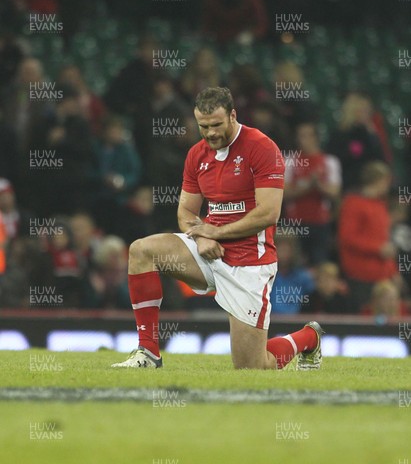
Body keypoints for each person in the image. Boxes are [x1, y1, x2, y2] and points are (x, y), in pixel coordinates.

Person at [112, 87, 323, 371]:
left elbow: (268, 213)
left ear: (233, 115)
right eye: (203, 126)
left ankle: (308, 338)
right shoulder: (197, 155)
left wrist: (214, 233)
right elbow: (186, 212)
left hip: (249, 261)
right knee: (142, 250)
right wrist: (200, 238)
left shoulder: (261, 147)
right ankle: (148, 352)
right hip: (208, 253)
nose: (210, 133)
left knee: (252, 368)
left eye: (216, 125)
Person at [338, 161, 398, 312]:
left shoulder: (380, 204)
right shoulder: (353, 203)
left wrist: (393, 271)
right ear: (378, 180)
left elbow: (383, 239)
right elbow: (348, 237)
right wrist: (378, 249)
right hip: (360, 276)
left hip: (381, 276)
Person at [283, 122, 342, 265]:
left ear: (315, 137)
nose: (302, 139)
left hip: (320, 223)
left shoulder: (330, 161)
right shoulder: (290, 161)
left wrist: (318, 185)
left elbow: (335, 192)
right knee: (295, 264)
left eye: (307, 135)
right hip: (295, 222)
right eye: (300, 136)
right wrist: (309, 185)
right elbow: (283, 193)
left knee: (320, 263)